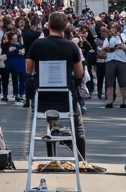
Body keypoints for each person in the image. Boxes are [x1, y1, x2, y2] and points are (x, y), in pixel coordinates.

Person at [26, 12, 87, 158]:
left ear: (48, 25)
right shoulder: (71, 46)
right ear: (65, 27)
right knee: (78, 127)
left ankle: (52, 158)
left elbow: (28, 69)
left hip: (42, 97)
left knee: (50, 122)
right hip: (66, 96)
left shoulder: (37, 44)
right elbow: (79, 73)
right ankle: (81, 159)